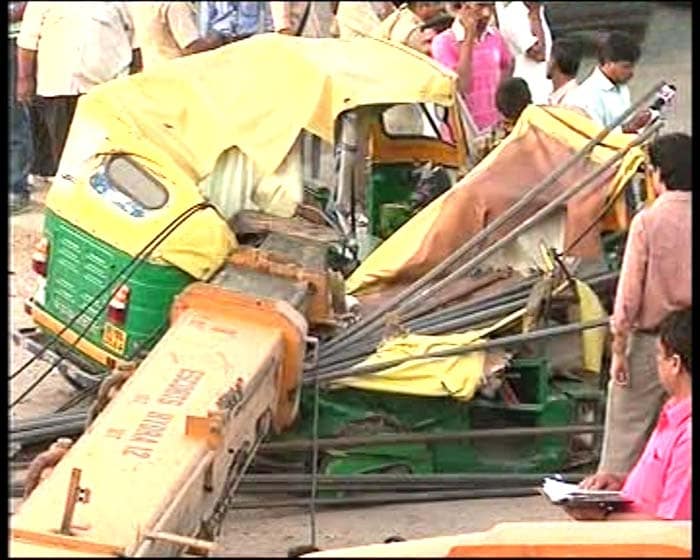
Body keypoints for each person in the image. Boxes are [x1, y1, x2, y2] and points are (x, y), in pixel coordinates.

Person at [596, 133, 692, 478]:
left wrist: (619, 349)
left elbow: (628, 297)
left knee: (626, 428)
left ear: (658, 173)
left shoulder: (648, 222)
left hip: (655, 342)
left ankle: (615, 497)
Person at [565, 307, 691, 521]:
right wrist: (620, 482)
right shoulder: (673, 412)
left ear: (675, 363)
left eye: (659, 356)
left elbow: (675, 529)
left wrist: (604, 516)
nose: (656, 363)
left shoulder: (688, 434)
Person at [16, 2, 140, 181]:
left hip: (106, 89)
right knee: (65, 152)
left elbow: (136, 42)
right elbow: (28, 42)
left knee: (107, 151)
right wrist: (24, 79)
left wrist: (134, 80)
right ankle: (70, 197)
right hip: (59, 87)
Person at [431, 2, 513, 132]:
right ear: (463, 6)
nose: (486, 13)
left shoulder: (495, 36)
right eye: (479, 6)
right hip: (464, 131)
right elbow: (462, 85)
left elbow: (507, 65)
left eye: (491, 6)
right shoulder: (443, 42)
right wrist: (469, 36)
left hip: (494, 127)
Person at [565, 31, 650, 133]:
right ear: (608, 63)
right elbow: (593, 138)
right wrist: (629, 127)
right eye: (626, 67)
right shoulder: (586, 96)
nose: (631, 73)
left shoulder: (621, 88)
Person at [130, 2, 226, 70]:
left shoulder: (139, 5)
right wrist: (221, 39)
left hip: (153, 75)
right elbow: (191, 47)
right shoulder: (176, 5)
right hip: (178, 77)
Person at [495, 1, 552, 104]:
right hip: (530, 90)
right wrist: (535, 14)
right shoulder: (514, 13)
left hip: (544, 89)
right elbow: (539, 54)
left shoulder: (538, 9)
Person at [374, 2, 443, 55]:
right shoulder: (409, 31)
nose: (440, 9)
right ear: (421, 7)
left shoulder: (405, 16)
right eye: (437, 6)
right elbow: (435, 51)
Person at [197, 1, 273, 42]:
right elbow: (204, 18)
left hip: (249, 37)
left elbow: (267, 16)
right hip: (220, 39)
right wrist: (204, 38)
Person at [546, 36, 582, 106]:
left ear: (554, 61)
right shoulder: (554, 96)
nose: (547, 61)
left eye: (549, 57)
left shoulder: (574, 99)